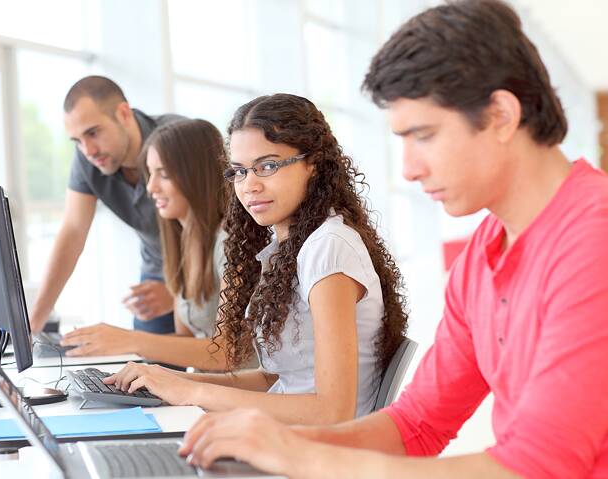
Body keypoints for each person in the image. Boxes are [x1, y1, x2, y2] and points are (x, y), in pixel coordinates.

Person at [178, 1, 608, 477]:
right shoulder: (483, 253)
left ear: (501, 115)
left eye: (423, 135)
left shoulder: (594, 238)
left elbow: (539, 466)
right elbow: (416, 426)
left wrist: (301, 454)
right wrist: (272, 441)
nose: (409, 168)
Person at [103, 93, 409, 425]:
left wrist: (193, 394)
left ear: (314, 165)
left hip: (315, 451)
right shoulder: (287, 249)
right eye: (239, 171)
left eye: (267, 166)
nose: (249, 185)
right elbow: (273, 380)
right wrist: (170, 382)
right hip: (283, 437)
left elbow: (332, 411)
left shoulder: (329, 248)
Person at [60, 118, 235, 370]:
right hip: (204, 390)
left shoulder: (229, 246)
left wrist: (131, 341)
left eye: (163, 174)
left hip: (234, 397)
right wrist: (108, 347)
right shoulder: (182, 245)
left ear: (196, 174)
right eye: (150, 174)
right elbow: (186, 340)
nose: (150, 188)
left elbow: (225, 353)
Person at [29, 75, 183, 337]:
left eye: (93, 132)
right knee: (145, 369)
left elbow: (223, 238)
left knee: (209, 364)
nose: (87, 150)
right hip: (157, 273)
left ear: (124, 113)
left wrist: (181, 294)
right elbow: (73, 233)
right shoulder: (88, 158)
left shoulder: (178, 140)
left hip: (208, 271)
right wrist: (31, 325)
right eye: (77, 140)